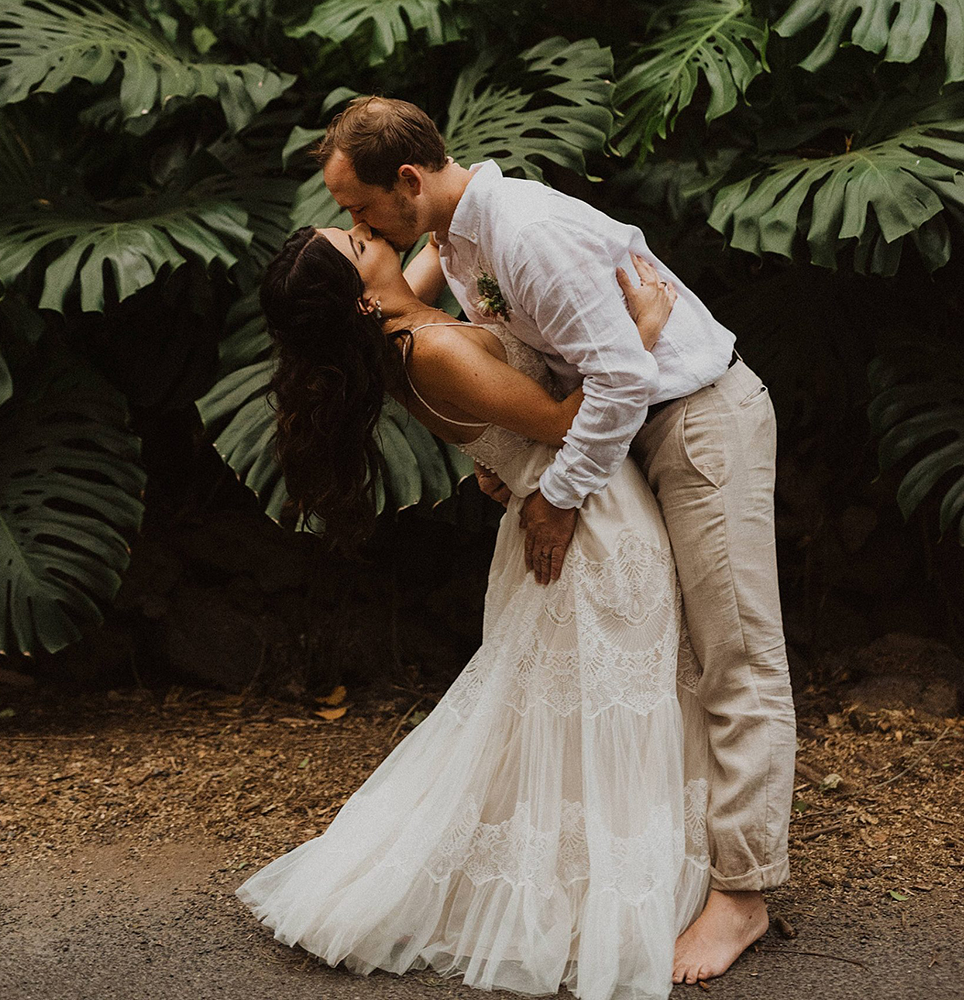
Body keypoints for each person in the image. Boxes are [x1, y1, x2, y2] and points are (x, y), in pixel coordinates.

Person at [315, 96, 797, 985]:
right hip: (621, 435)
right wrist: (502, 450)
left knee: (737, 652)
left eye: (361, 208)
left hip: (692, 420)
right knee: (683, 653)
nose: (360, 226)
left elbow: (619, 376)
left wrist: (559, 494)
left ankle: (744, 893)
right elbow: (439, 335)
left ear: (408, 180)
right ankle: (686, 860)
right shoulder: (455, 238)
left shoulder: (526, 234)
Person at [235, 220, 711, 1000]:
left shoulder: (397, 324)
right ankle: (589, 896)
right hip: (588, 522)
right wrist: (643, 329)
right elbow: (566, 422)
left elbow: (437, 239)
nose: (366, 230)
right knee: (599, 706)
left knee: (565, 714)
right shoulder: (430, 350)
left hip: (567, 509)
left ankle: (589, 872)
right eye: (355, 242)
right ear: (360, 300)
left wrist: (456, 201)